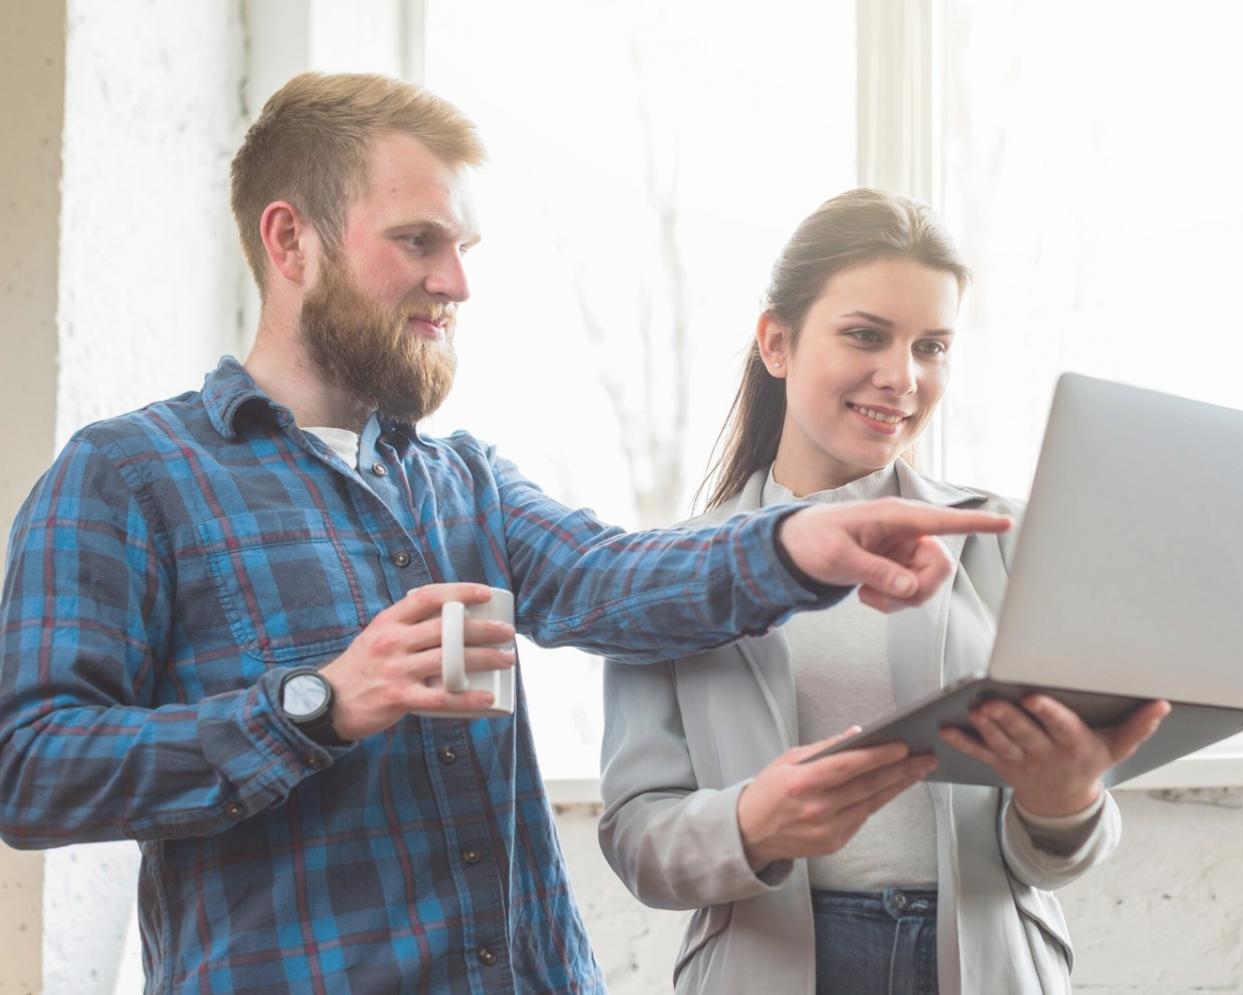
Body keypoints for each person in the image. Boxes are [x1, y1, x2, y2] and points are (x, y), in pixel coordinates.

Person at [0, 79, 1009, 993]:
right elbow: (29, 767)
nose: (455, 284)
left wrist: (795, 544)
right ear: (289, 240)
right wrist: (316, 703)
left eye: (462, 251)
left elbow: (612, 579)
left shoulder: (464, 479)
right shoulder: (129, 476)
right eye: (418, 242)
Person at [598, 188, 1171, 994]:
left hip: (981, 965)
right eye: (866, 335)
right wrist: (752, 824)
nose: (902, 377)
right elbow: (634, 833)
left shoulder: (1008, 541)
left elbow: (1058, 850)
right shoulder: (676, 568)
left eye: (931, 346)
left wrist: (1065, 799)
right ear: (776, 342)